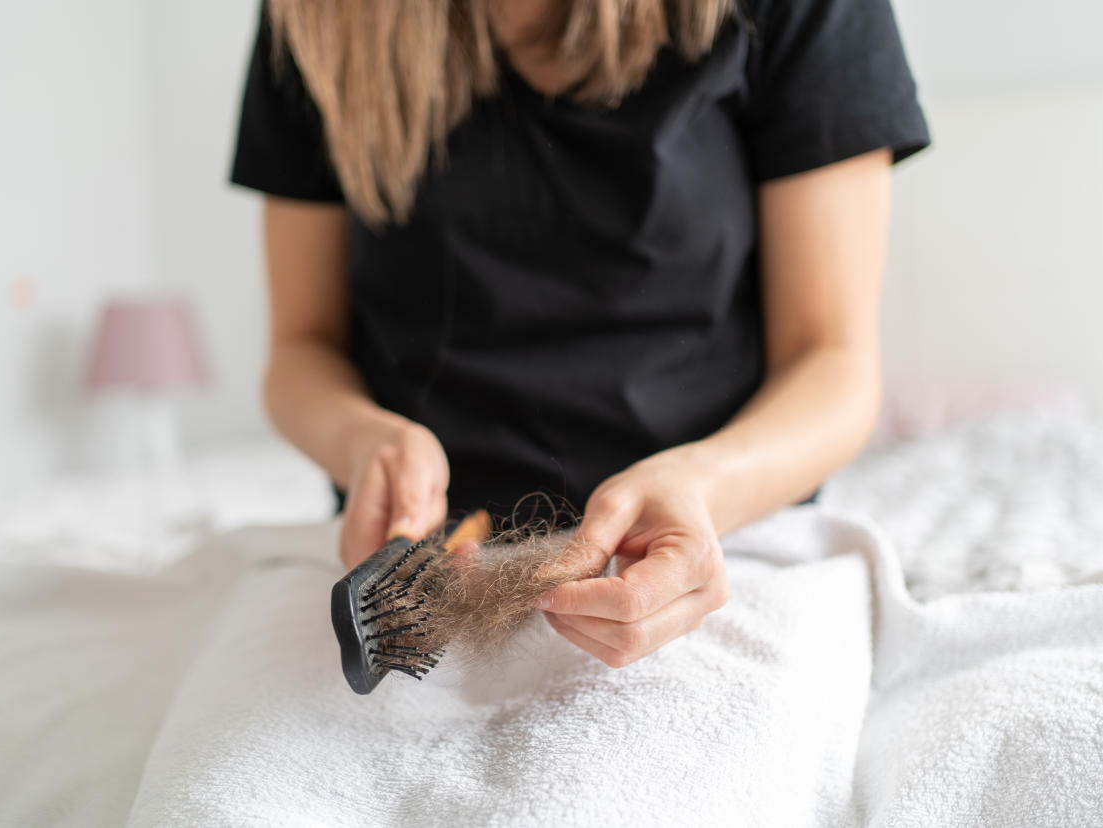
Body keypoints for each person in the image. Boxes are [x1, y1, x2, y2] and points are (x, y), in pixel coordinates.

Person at [231, 0, 929, 668]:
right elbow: (302, 348)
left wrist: (702, 486)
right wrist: (359, 441)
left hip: (717, 545)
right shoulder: (320, 13)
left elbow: (830, 362)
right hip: (415, 579)